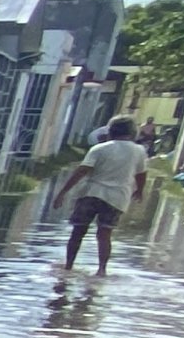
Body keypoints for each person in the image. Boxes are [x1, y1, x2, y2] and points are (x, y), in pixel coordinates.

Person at [53, 115, 152, 276]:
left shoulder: (100, 149)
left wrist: (63, 192)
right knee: (105, 234)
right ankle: (102, 270)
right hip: (117, 198)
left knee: (78, 231)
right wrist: (140, 190)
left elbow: (82, 171)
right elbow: (141, 174)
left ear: (111, 131)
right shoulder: (139, 151)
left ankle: (69, 266)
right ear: (133, 132)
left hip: (91, 193)